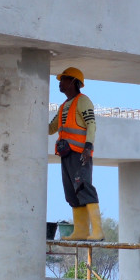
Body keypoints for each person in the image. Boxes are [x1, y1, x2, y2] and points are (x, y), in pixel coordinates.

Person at [49, 67, 104, 241]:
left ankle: (97, 232)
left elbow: (91, 125)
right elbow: (52, 128)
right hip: (66, 154)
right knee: (71, 193)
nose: (60, 83)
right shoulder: (64, 106)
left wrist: (88, 147)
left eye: (63, 79)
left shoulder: (83, 101)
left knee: (84, 187)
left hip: (80, 154)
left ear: (74, 82)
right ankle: (80, 231)